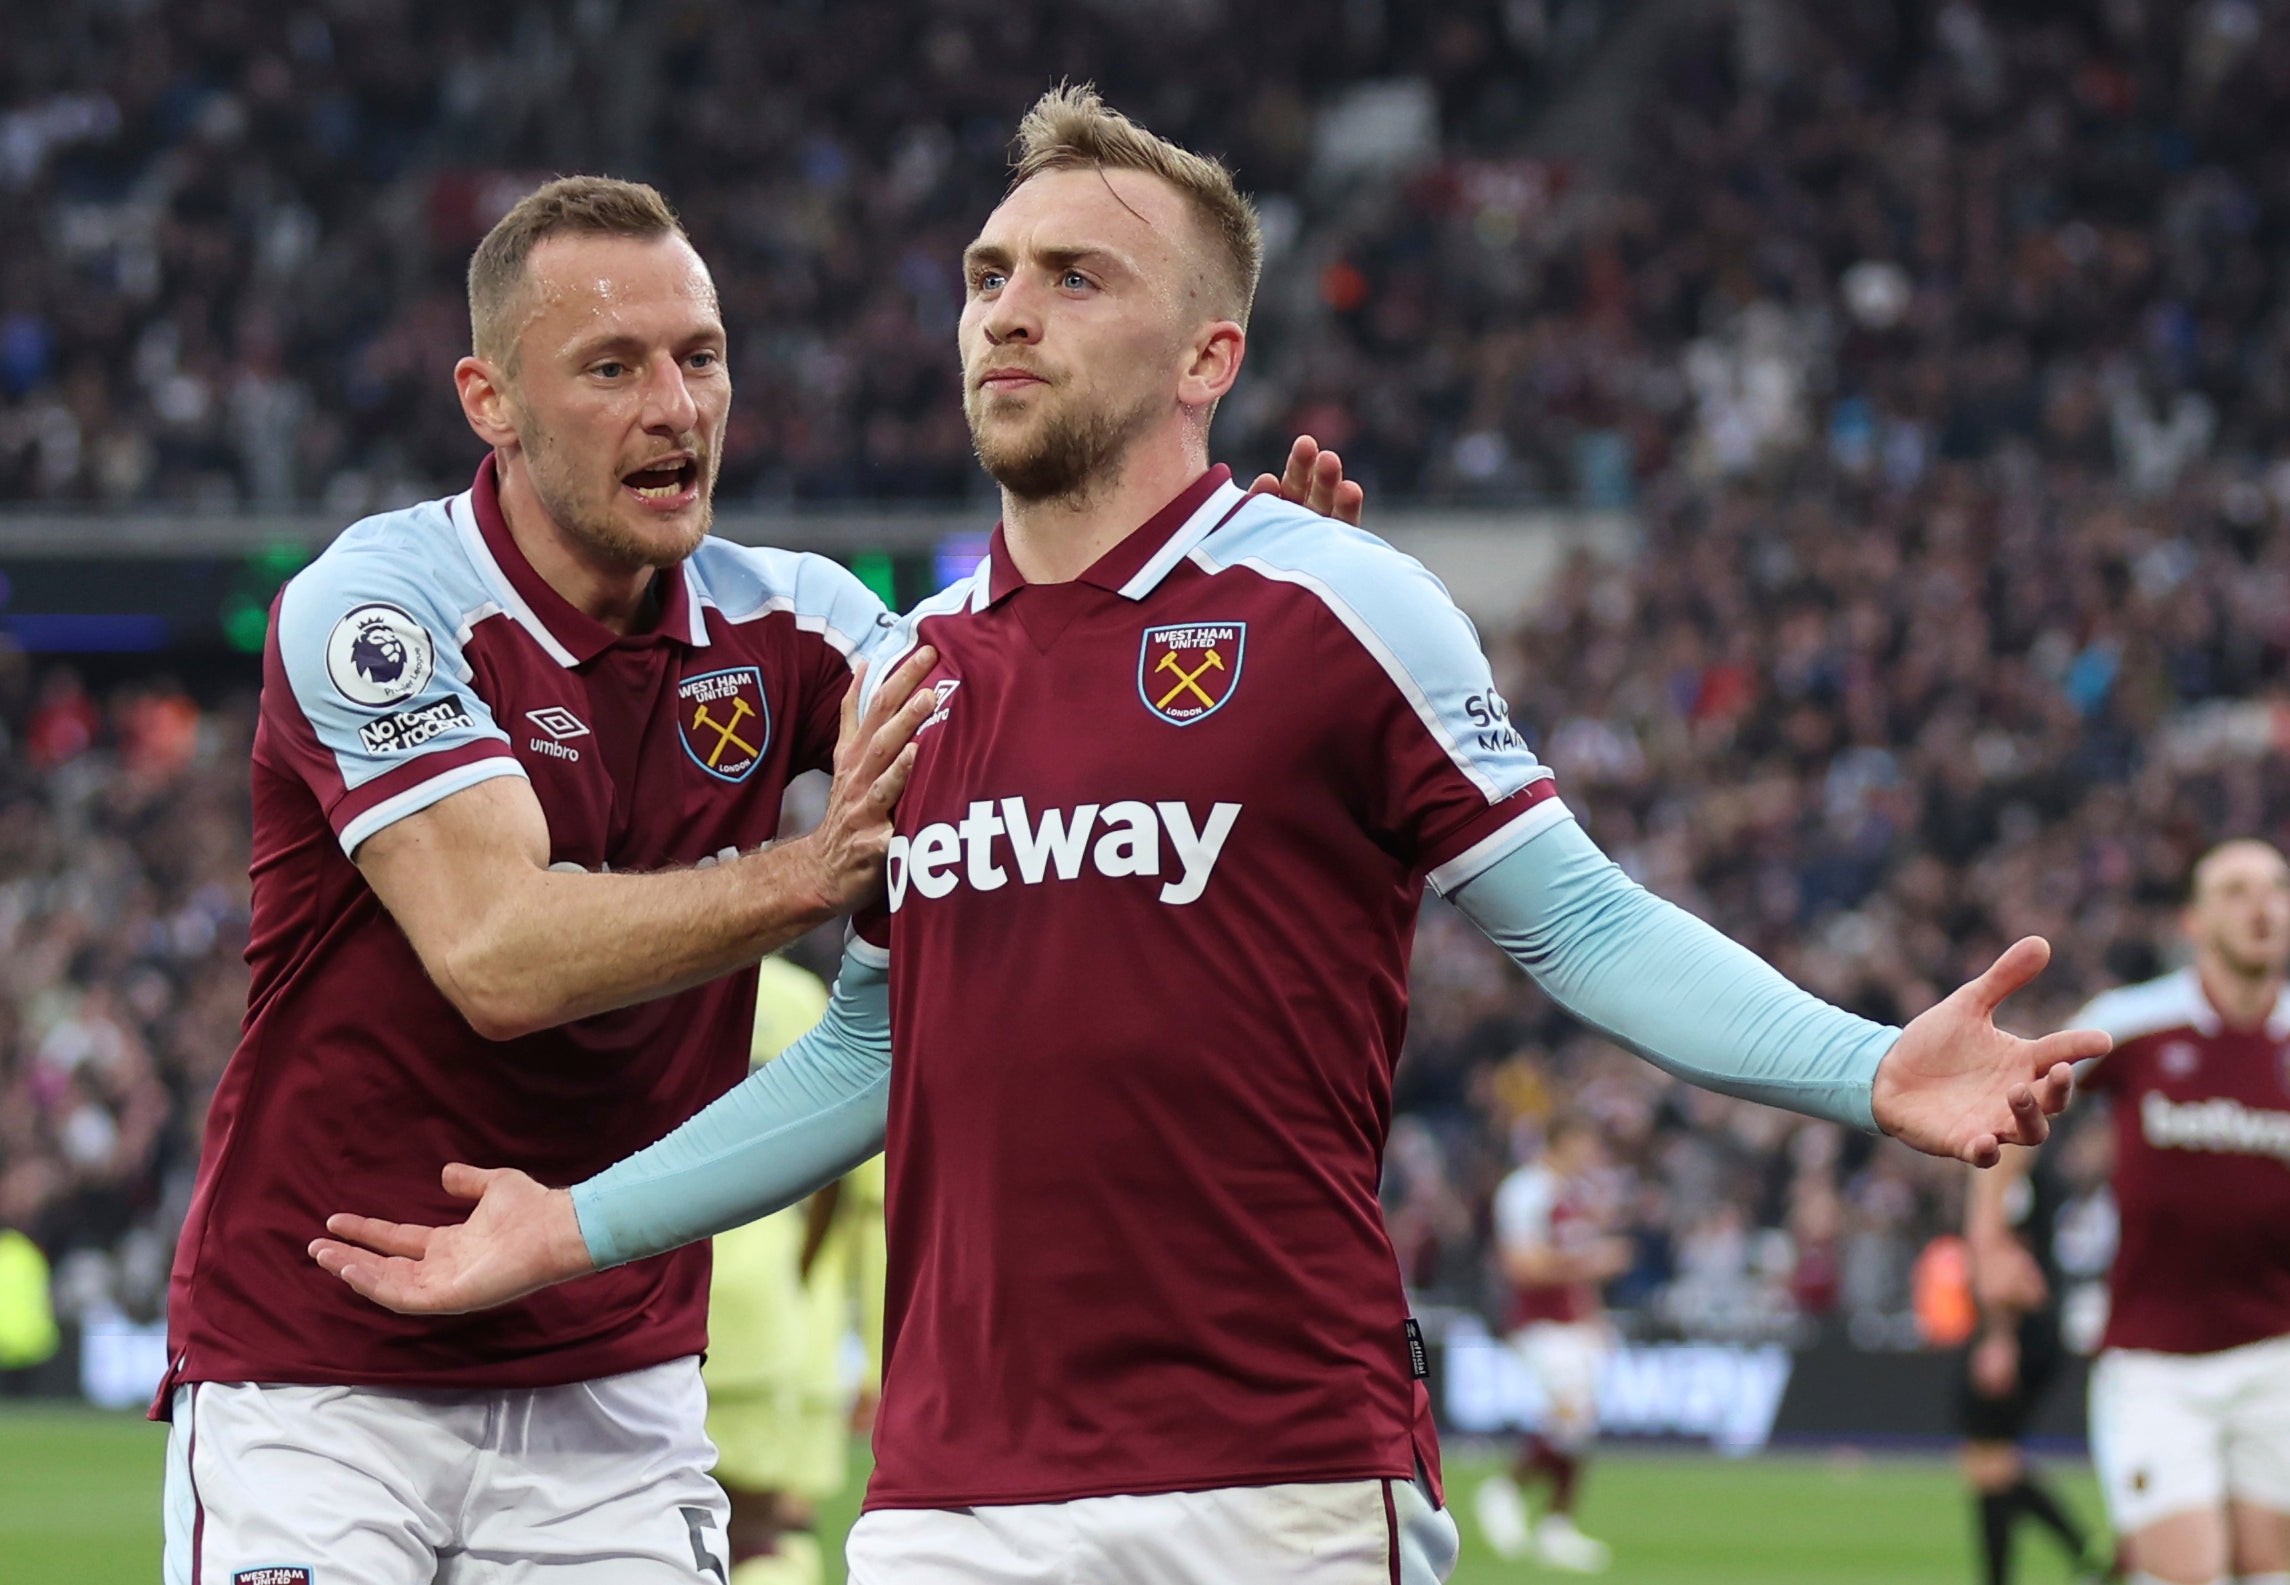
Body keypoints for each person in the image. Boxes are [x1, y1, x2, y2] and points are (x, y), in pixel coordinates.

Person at [310, 87, 2102, 1584]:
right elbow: (871, 1042)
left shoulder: (1336, 606)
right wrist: (577, 1228)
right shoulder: (913, 671)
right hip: (946, 1500)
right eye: (987, 274)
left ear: (1205, 355)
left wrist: (1861, 1067)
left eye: (1075, 278)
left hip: (1277, 1479)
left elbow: (1578, 924)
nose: (1006, 312)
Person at [153, 173, 944, 1585]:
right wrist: (813, 871)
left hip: (613, 1395)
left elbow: (1035, 739)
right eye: (611, 367)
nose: (676, 407)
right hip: (322, 1369)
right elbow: (498, 955)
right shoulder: (377, 608)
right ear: (489, 401)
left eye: (699, 358)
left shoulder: (798, 621)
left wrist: (1230, 580)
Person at [1971, 838, 2290, 1585]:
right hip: (2154, 1357)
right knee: (2188, 1571)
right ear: (2194, 920)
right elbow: (2014, 1098)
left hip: (2277, 1348)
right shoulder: (2135, 1020)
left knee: (2268, 1568)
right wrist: (1989, 1235)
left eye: (2276, 887)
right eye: (2236, 890)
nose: (2262, 905)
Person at [703, 954, 886, 1585]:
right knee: (766, 1534)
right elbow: (864, 1197)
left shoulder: (631, 992)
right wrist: (888, 1359)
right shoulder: (804, 1001)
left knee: (633, 1527)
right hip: (767, 1318)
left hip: (638, 1310)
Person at [1955, 1100, 2103, 1585]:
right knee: (1993, 1462)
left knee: (1990, 1462)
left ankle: (2074, 1556)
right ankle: (2084, 1556)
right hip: (2036, 1323)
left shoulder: (2006, 1159)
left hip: (2019, 1326)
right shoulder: (2037, 1157)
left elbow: (2003, 1251)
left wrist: (1999, 1337)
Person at [1474, 1115, 1628, 1573]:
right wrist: (1592, 1262)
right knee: (1569, 1416)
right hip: (1538, 1323)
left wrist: (1592, 1318)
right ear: (1561, 1142)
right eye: (1582, 1143)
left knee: (1579, 1426)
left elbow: (1575, 1273)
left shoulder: (1572, 1194)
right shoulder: (1526, 1192)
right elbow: (1522, 1266)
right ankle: (1506, 1491)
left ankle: (1556, 1526)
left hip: (1573, 1324)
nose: (1589, 1155)